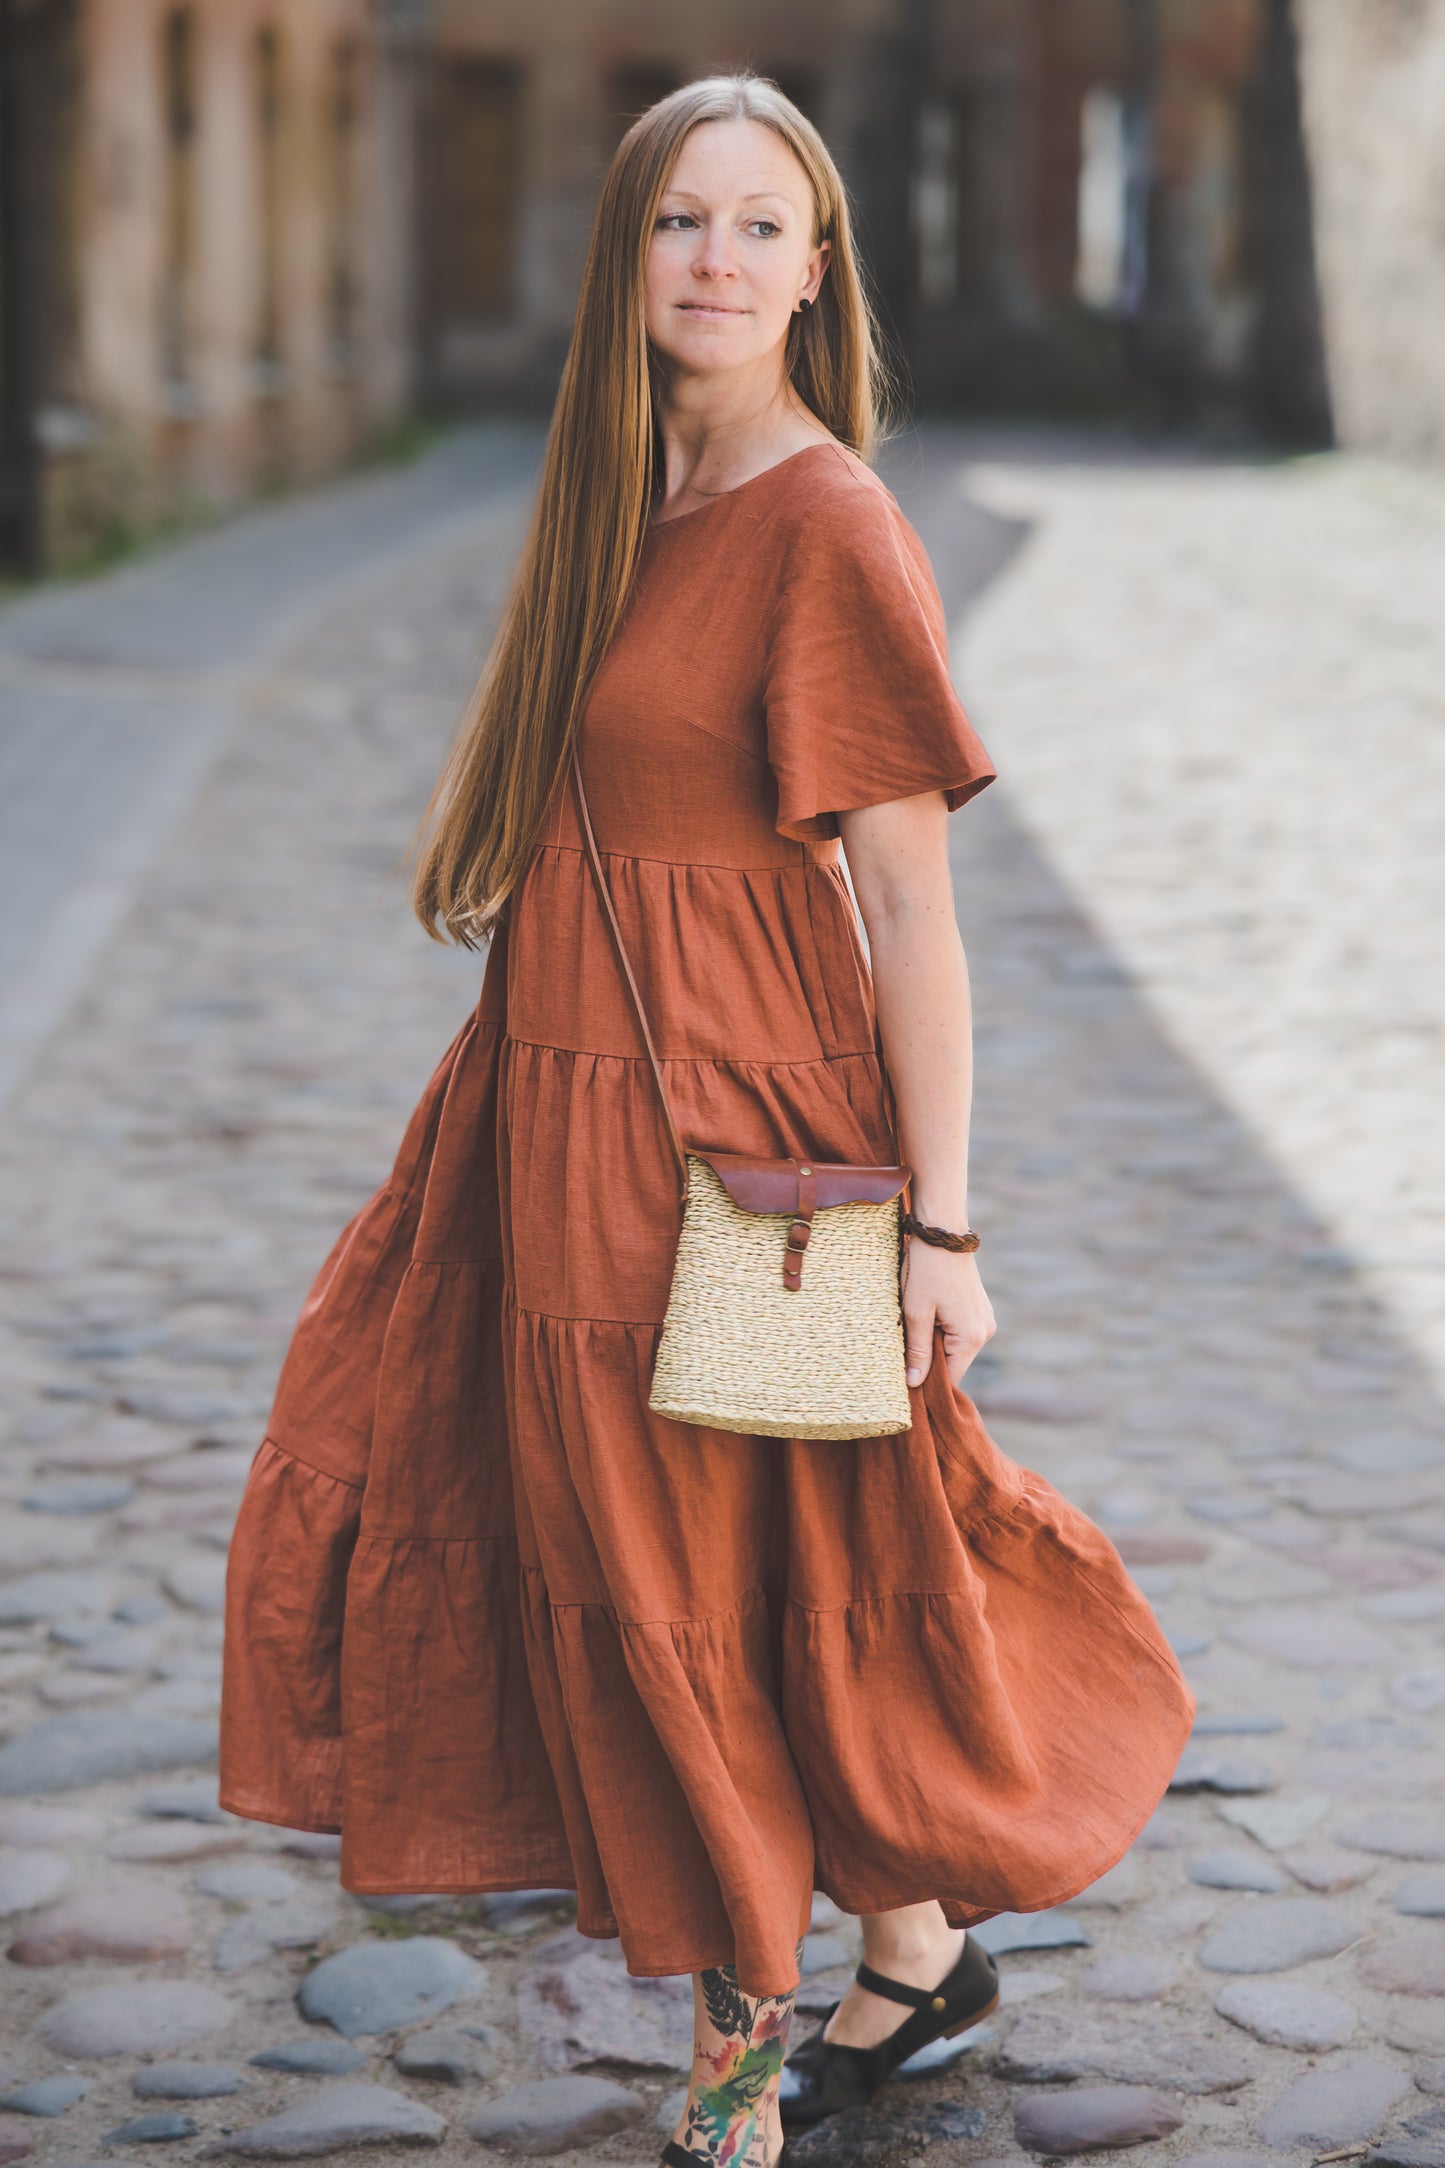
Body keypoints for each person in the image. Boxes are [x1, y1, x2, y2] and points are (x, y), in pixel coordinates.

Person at [218, 74, 1194, 2168]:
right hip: (551, 1118)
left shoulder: (829, 521)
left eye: (762, 227)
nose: (720, 261)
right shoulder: (622, 495)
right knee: (716, 1564)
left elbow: (911, 909)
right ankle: (918, 1954)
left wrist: (946, 1232)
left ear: (816, 269)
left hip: (738, 1152)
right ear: (630, 255)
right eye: (683, 222)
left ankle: (738, 2091)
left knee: (708, 1590)